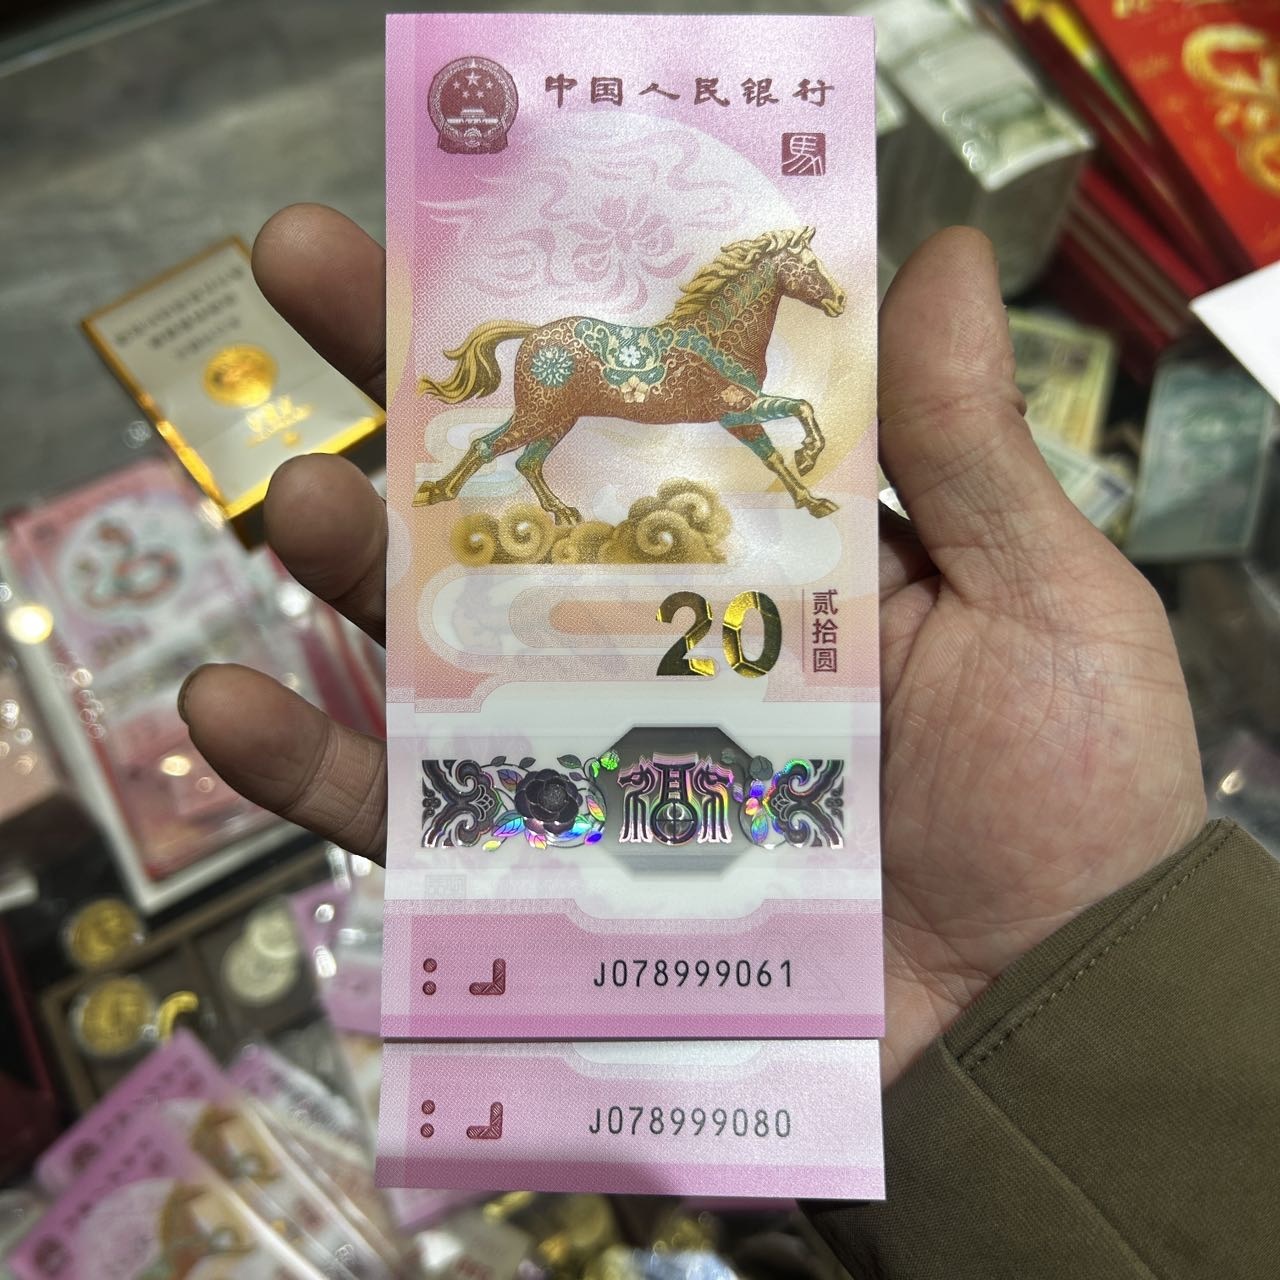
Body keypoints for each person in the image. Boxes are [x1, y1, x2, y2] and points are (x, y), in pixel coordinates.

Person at [178, 207, 1279, 1278]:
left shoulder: (721, 349)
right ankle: (476, 472)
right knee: (534, 452)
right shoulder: (699, 358)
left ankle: (509, 474)